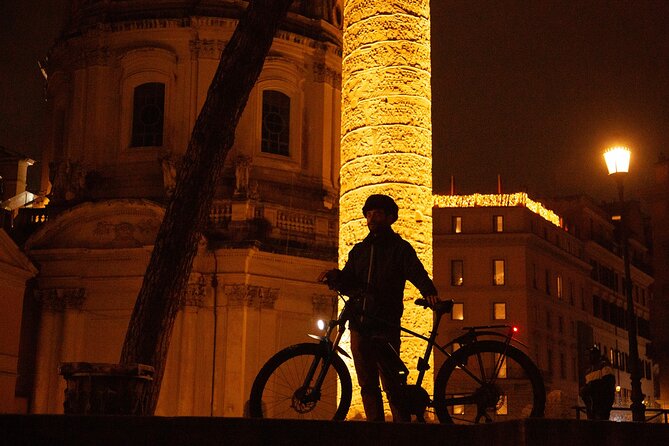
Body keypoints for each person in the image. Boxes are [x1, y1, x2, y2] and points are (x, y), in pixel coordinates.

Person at [320, 194, 439, 422]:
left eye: (378, 214)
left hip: (385, 323)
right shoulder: (359, 251)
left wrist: (429, 291)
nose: (372, 218)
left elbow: (416, 272)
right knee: (367, 384)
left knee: (391, 383)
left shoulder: (400, 249)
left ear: (390, 218)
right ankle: (375, 429)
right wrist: (334, 277)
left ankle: (401, 427)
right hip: (360, 323)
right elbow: (349, 280)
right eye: (369, 214)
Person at [580, 346, 616, 420]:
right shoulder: (588, 371)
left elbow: (608, 385)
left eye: (590, 355)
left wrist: (591, 387)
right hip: (592, 405)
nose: (588, 357)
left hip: (602, 404)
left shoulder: (604, 367)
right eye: (587, 355)